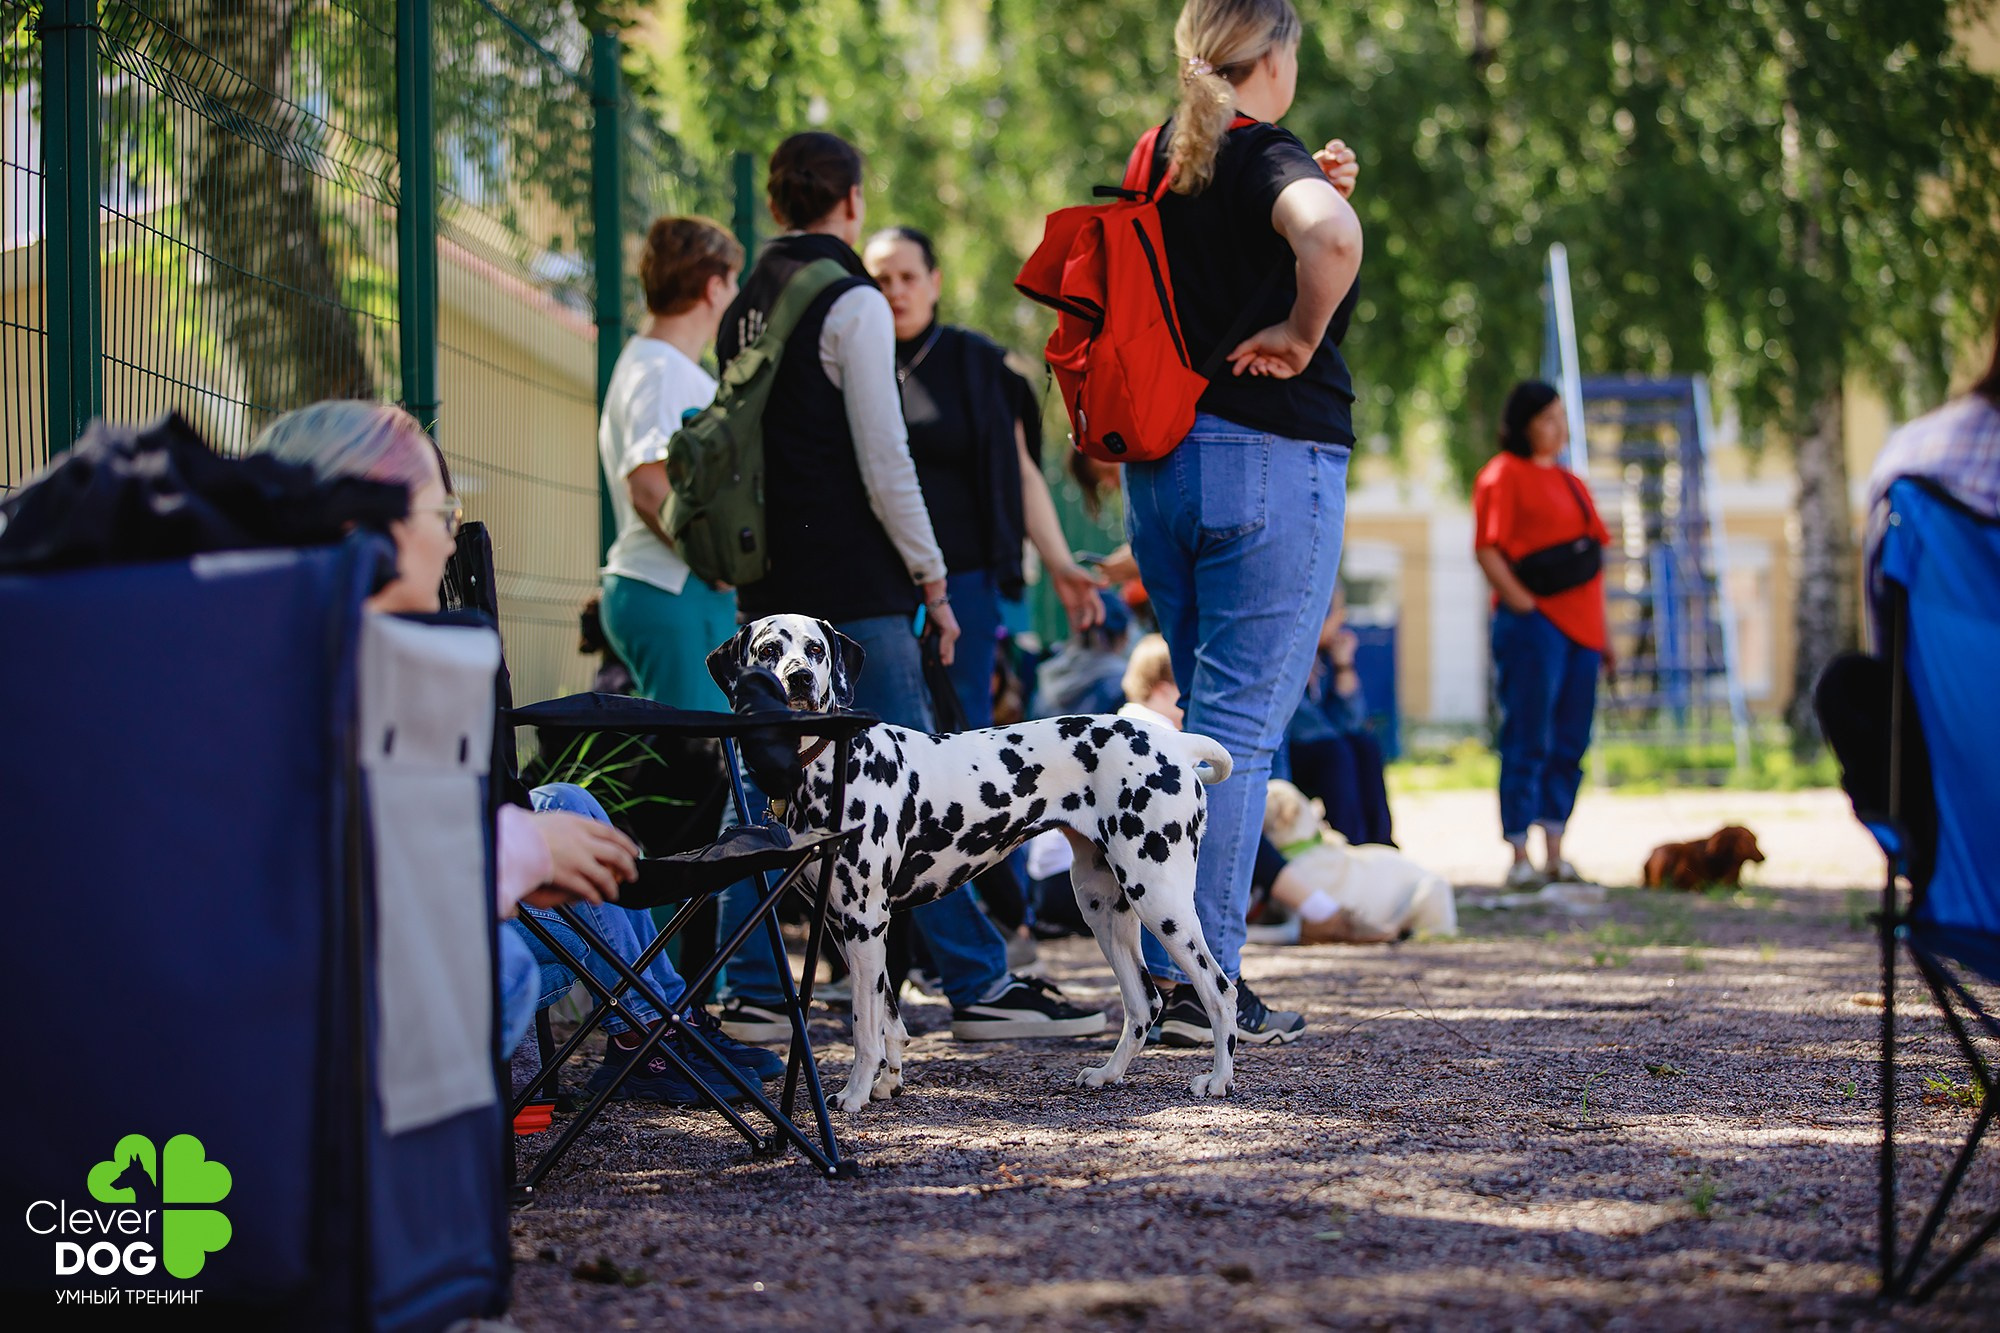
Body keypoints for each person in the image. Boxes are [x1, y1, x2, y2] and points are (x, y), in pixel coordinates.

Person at [255, 400, 778, 1104]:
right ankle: (652, 1032)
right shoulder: (285, 675)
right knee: (505, 966)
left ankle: (654, 1029)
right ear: (363, 525)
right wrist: (512, 853)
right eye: (442, 516)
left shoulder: (337, 652)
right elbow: (320, 870)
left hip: (359, 950)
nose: (451, 544)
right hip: (310, 987)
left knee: (568, 804)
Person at [708, 131, 1104, 1044]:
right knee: (927, 779)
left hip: (767, 589)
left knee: (761, 785)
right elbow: (885, 457)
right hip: (855, 589)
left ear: (773, 205)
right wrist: (932, 576)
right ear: (851, 201)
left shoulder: (743, 306)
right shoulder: (850, 300)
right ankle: (978, 983)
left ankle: (755, 992)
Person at [1121, 0, 1365, 1047]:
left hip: (1162, 467)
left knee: (1197, 736)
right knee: (1236, 742)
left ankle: (1167, 978)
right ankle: (1200, 984)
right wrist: (1303, 333)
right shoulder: (1262, 149)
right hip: (1266, 458)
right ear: (1274, 54)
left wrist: (1310, 188)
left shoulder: (1158, 158)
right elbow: (1330, 239)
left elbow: (1222, 258)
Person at [862, 224, 1107, 722]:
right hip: (875, 579)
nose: (895, 291)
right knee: (880, 726)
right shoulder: (853, 359)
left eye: (908, 277)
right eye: (881, 280)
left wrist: (1061, 565)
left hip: (965, 577)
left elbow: (1020, 474)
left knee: (960, 724)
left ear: (935, 282)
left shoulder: (976, 362)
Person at [596, 216, 745, 712]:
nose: (736, 294)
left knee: (694, 752)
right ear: (714, 287)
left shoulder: (658, 363)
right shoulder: (661, 371)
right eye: (733, 282)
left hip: (674, 591)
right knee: (698, 754)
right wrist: (715, 565)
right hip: (674, 589)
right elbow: (648, 486)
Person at [1471, 380, 1613, 890]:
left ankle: (1556, 850)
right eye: (1547, 418)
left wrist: (1605, 635)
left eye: (1561, 417)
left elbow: (1593, 560)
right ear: (1523, 424)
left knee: (1570, 740)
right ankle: (1518, 854)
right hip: (1535, 628)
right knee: (1528, 736)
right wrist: (1524, 605)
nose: (1558, 427)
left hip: (1583, 633)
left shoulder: (1573, 482)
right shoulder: (1502, 476)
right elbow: (1487, 549)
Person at [1281, 588, 1393, 846]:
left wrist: (1344, 666)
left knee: (1365, 745)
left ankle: (1380, 844)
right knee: (1336, 752)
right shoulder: (1287, 657)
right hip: (1288, 757)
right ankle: (1351, 844)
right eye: (1335, 614)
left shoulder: (1328, 657)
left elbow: (1353, 722)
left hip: (1320, 749)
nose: (1340, 622)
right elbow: (1306, 729)